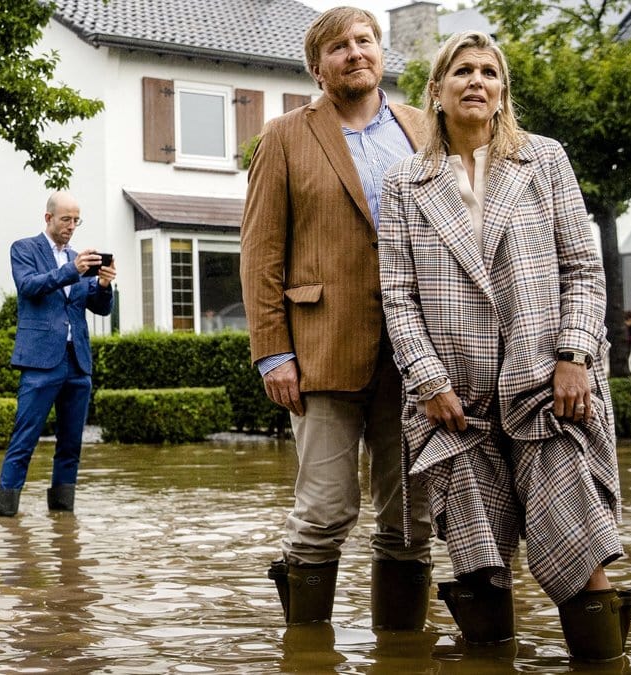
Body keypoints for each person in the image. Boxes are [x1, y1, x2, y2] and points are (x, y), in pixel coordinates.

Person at [377, 32, 631, 661]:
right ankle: (488, 660)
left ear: (502, 92)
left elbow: (584, 268)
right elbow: (397, 296)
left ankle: (603, 664)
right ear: (436, 91)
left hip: (547, 388)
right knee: (477, 556)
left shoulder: (543, 161)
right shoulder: (405, 182)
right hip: (453, 399)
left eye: (489, 72)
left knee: (578, 539)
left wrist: (575, 357)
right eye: (462, 71)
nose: (476, 82)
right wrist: (427, 381)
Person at [240, 6, 434, 629]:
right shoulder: (284, 135)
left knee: (411, 516)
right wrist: (273, 352)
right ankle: (305, 649)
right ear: (317, 68)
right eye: (339, 47)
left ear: (381, 53)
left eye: (365, 41)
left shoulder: (425, 129)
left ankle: (399, 655)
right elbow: (260, 251)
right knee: (325, 509)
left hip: (417, 354)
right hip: (321, 349)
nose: (355, 53)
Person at [0, 191, 115, 517]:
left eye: (76, 220)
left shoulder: (79, 258)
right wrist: (72, 270)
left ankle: (63, 517)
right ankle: (7, 518)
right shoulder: (24, 249)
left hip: (77, 361)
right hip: (39, 362)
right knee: (24, 441)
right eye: (66, 219)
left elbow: (100, 309)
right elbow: (29, 286)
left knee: (71, 444)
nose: (72, 226)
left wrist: (104, 286)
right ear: (48, 218)